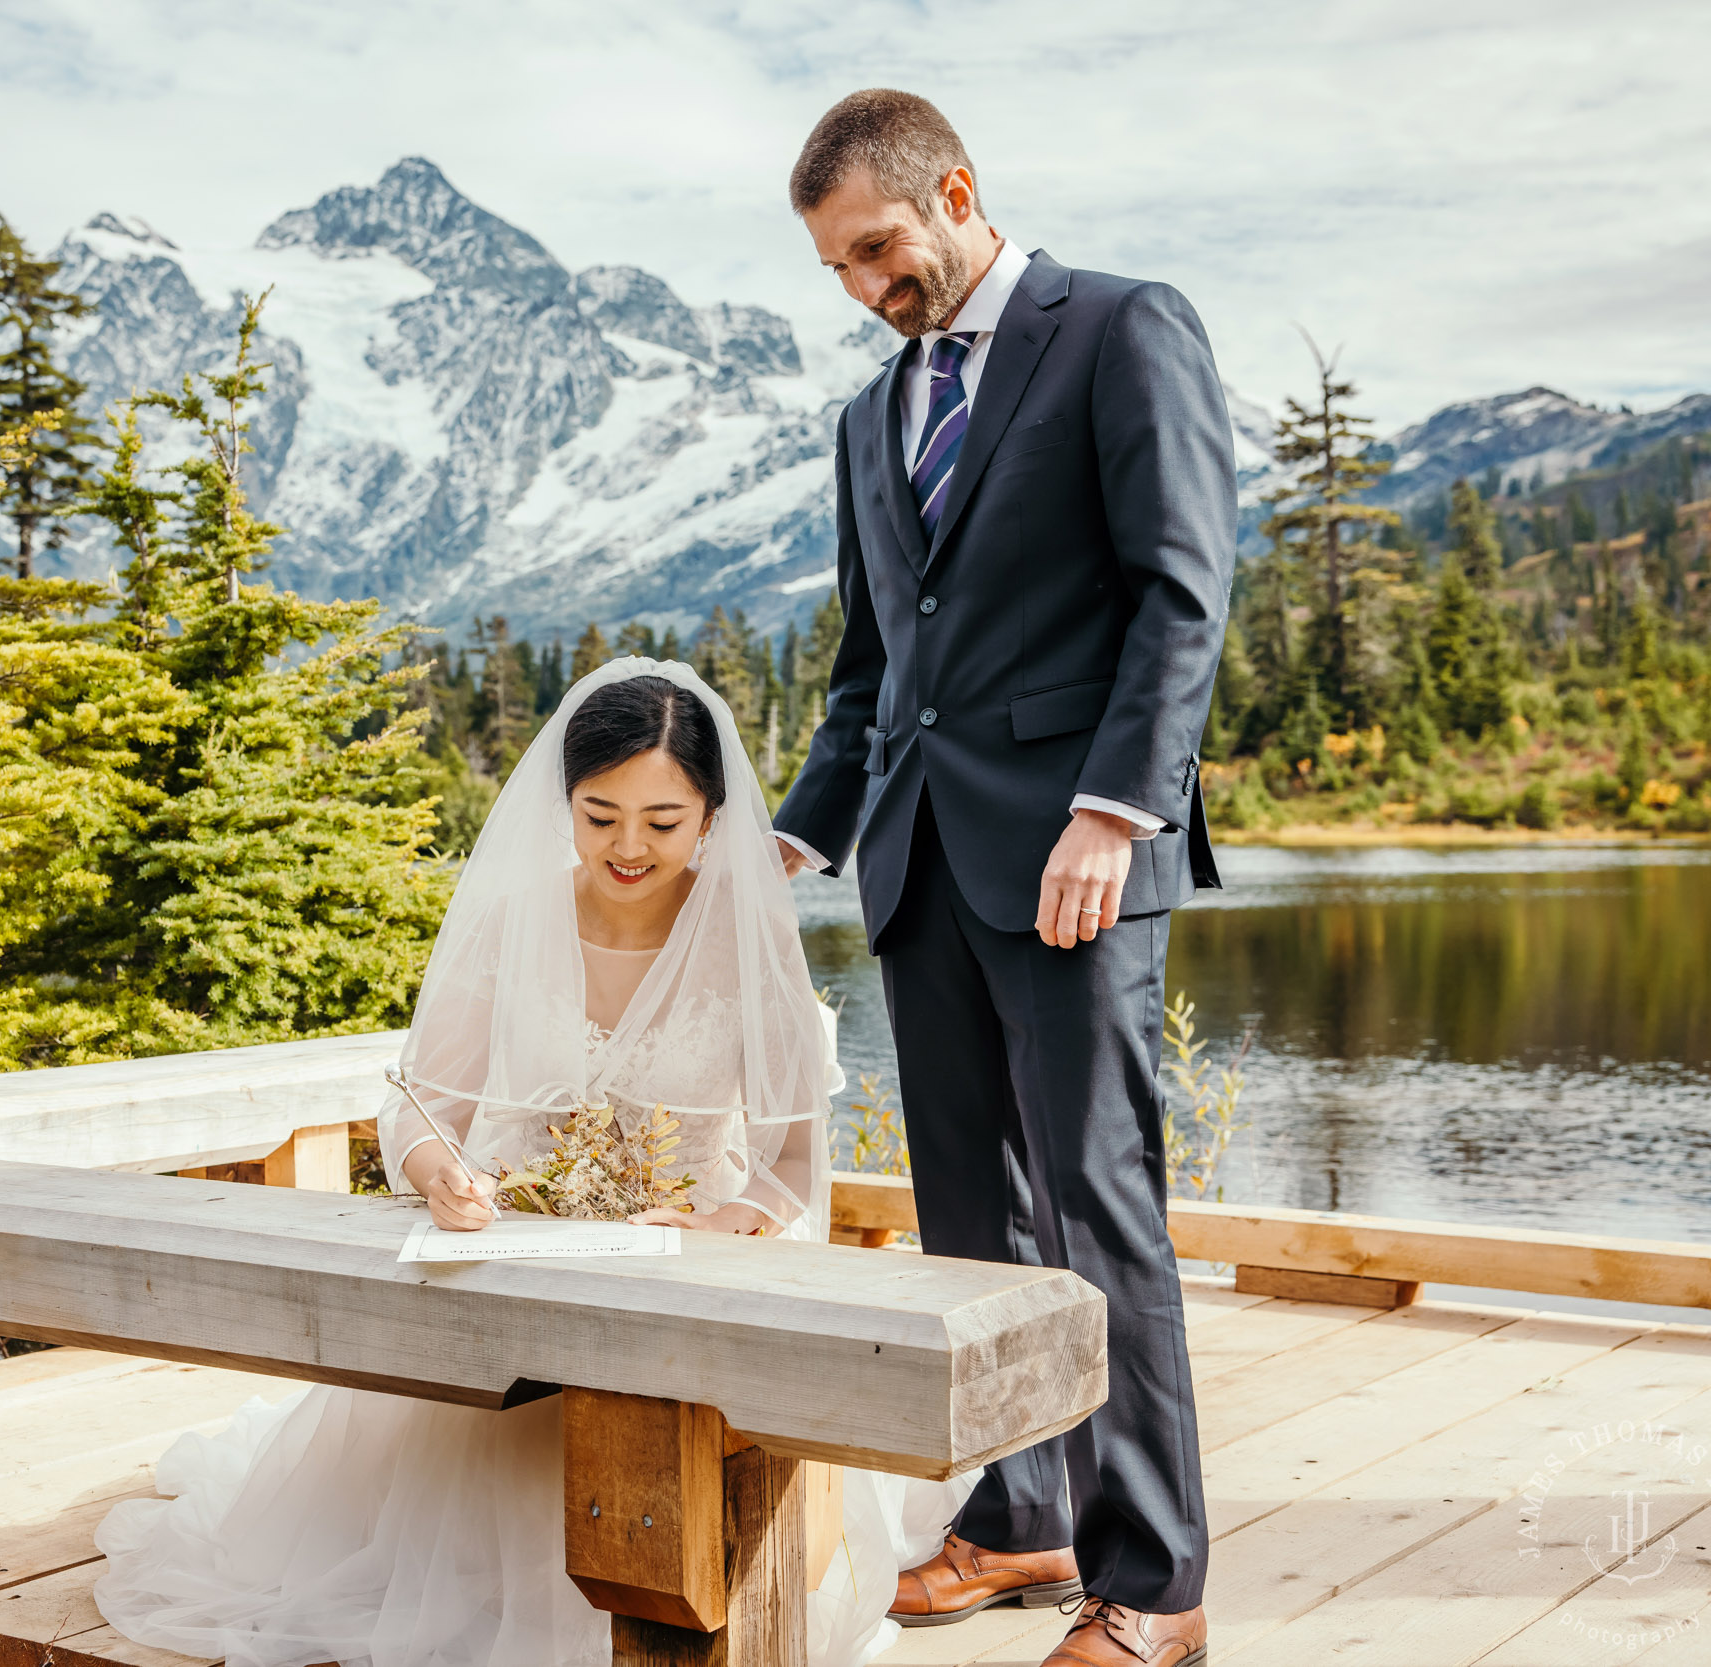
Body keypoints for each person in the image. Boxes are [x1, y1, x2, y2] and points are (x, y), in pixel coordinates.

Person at [93, 658, 972, 1667]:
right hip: (514, 1262)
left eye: (662, 819)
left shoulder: (751, 947)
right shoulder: (514, 920)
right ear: (565, 804)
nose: (629, 846)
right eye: (599, 816)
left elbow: (786, 1170)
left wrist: (723, 1222)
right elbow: (418, 1111)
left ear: (712, 817)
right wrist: (439, 1177)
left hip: (680, 1277)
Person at [769, 91, 1234, 1667]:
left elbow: (1182, 590)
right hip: (917, 858)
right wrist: (796, 831)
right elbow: (870, 665)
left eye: (879, 249)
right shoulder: (869, 415)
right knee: (973, 1223)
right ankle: (1025, 1505)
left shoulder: (1118, 330)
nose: (865, 289)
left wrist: (1117, 807)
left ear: (957, 193)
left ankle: (1155, 1579)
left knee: (1101, 1206)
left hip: (1075, 852)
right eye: (837, 267)